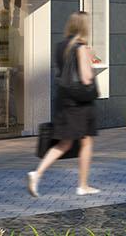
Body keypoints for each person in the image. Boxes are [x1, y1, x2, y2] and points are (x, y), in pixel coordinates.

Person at [28, 12, 100, 197]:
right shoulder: (81, 47)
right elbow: (86, 77)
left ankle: (37, 173)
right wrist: (90, 61)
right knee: (86, 142)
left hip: (64, 101)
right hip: (80, 103)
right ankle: (82, 185)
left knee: (66, 142)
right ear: (84, 27)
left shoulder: (60, 46)